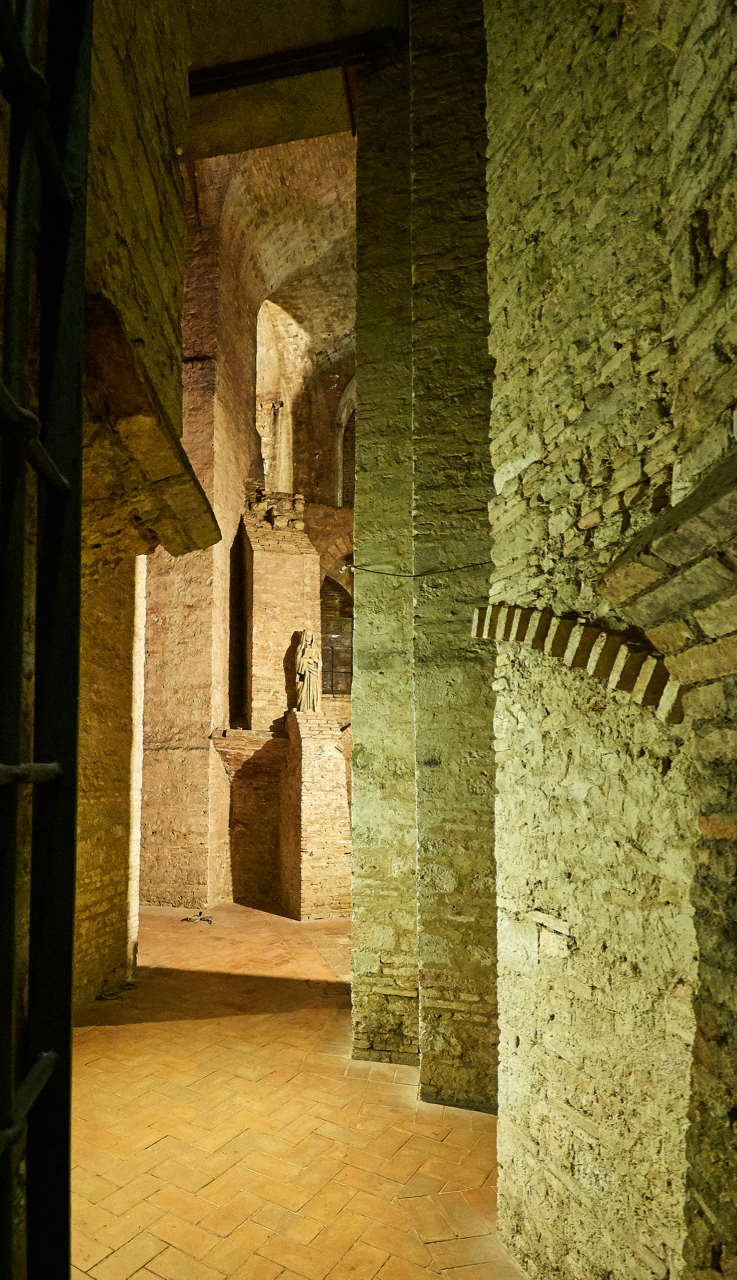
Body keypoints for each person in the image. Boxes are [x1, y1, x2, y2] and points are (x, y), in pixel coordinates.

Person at [296, 629, 321, 711]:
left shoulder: (316, 648)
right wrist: (306, 660)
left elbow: (320, 661)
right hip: (305, 672)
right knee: (304, 688)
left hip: (313, 673)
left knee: (313, 689)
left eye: (310, 635)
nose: (309, 637)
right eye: (307, 635)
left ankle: (313, 707)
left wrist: (315, 661)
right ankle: (304, 707)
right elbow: (297, 661)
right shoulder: (301, 647)